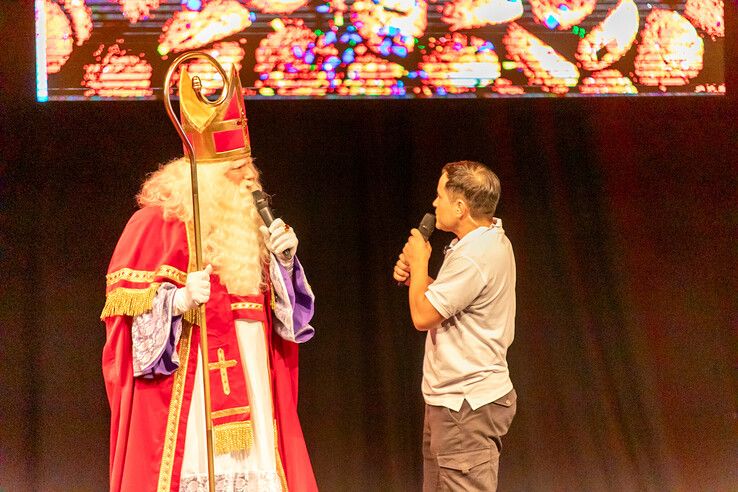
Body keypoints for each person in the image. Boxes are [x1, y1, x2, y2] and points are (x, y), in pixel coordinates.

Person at [101, 65, 318, 492]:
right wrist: (176, 303)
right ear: (202, 176)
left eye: (247, 167)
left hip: (253, 378)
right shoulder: (152, 225)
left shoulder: (253, 227)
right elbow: (124, 328)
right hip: (188, 383)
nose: (248, 177)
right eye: (235, 170)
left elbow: (287, 325)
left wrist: (284, 265)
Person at [393, 160, 517, 491]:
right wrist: (417, 281)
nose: (434, 204)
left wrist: (419, 263)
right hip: (451, 403)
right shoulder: (483, 240)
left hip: (466, 407)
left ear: (460, 207)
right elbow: (452, 304)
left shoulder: (474, 255)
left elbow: (422, 317)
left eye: (439, 196)